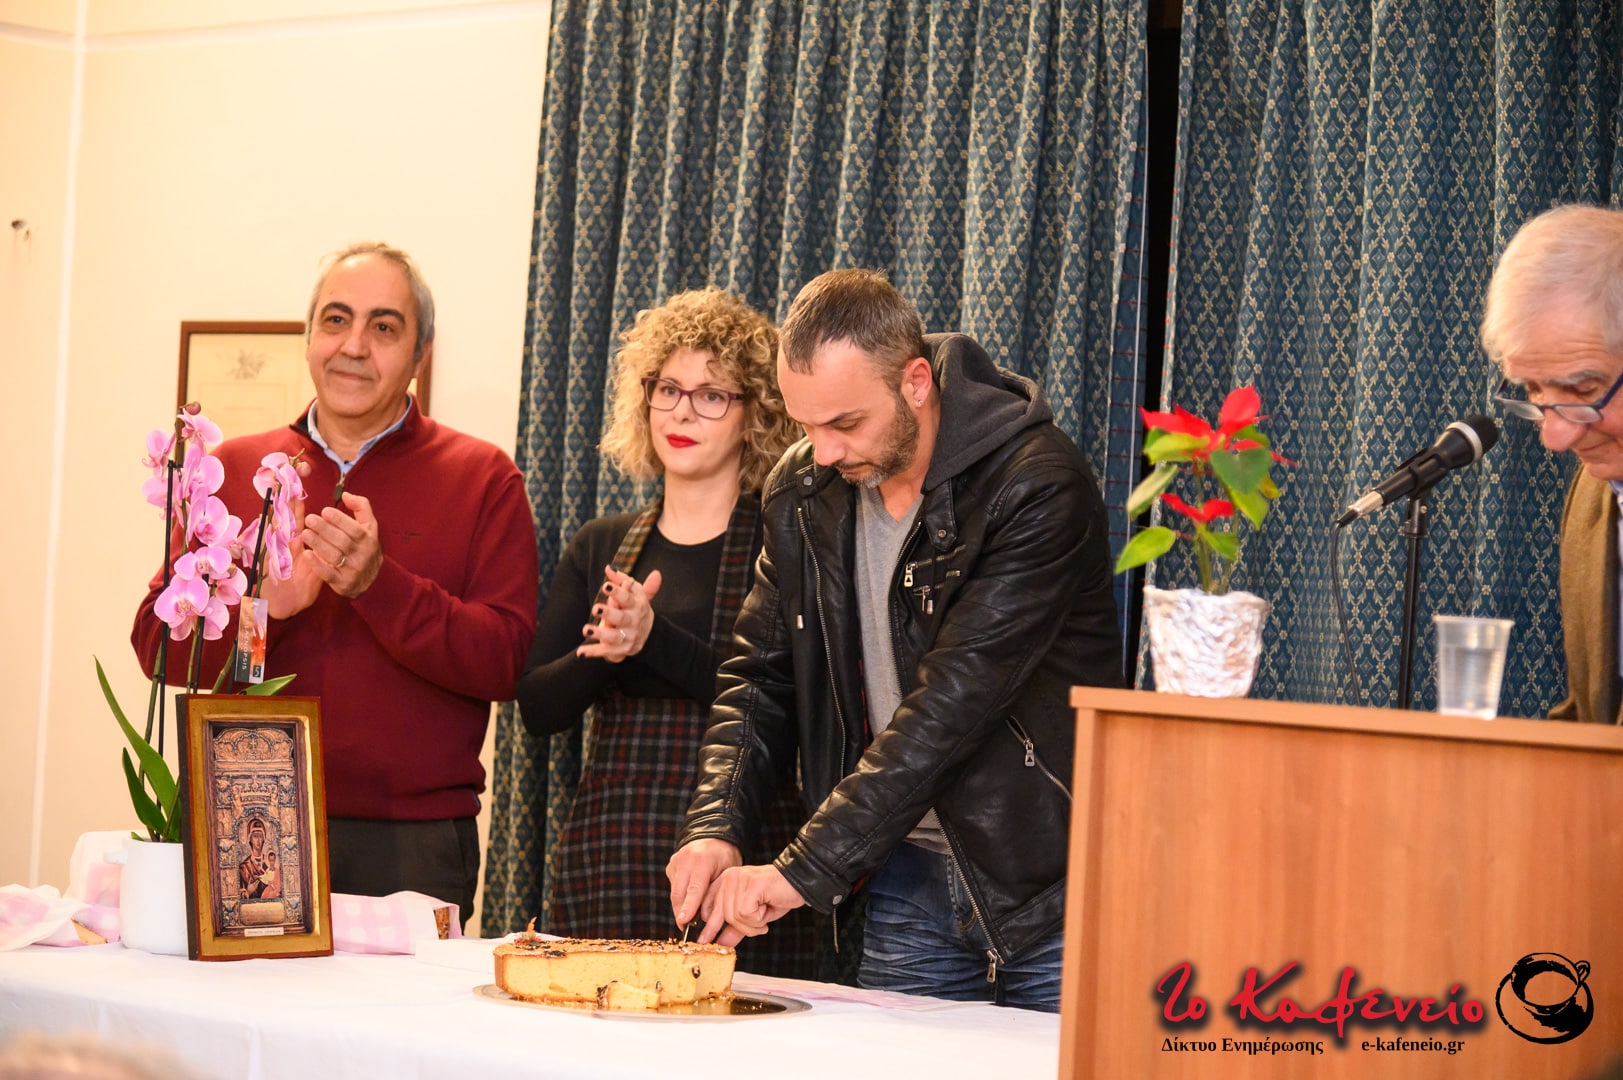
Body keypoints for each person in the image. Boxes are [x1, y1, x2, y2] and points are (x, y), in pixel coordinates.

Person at [665, 269, 1121, 1011]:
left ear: (915, 382)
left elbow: (951, 707)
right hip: (902, 878)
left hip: (1050, 885)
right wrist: (716, 824)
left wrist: (802, 869)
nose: (822, 452)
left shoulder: (1034, 484)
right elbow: (757, 678)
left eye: (844, 424)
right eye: (805, 426)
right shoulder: (802, 491)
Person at [133, 242, 539, 927]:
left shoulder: (482, 477)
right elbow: (156, 650)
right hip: (247, 817)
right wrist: (263, 611)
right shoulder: (233, 468)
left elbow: (505, 663)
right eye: (336, 320)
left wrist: (378, 585)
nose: (354, 346)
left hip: (412, 840)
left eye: (384, 326)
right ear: (308, 338)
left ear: (421, 353)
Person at [514, 288, 813, 976]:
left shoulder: (785, 547)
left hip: (742, 855)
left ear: (755, 414)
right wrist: (607, 652)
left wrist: (654, 640)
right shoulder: (601, 544)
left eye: (711, 395)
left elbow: (787, 708)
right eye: (668, 389)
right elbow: (537, 708)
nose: (682, 411)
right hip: (611, 847)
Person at [1481, 204, 1623, 724]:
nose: (1555, 437)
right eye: (1533, 392)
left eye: (1583, 391)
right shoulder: (1592, 495)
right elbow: (1593, 718)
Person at [238, 818, 281, 901]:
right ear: (250, 839)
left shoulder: (270, 862)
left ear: (263, 839)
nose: (258, 840)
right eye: (255, 836)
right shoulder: (244, 868)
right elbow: (238, 898)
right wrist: (248, 892)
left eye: (260, 836)